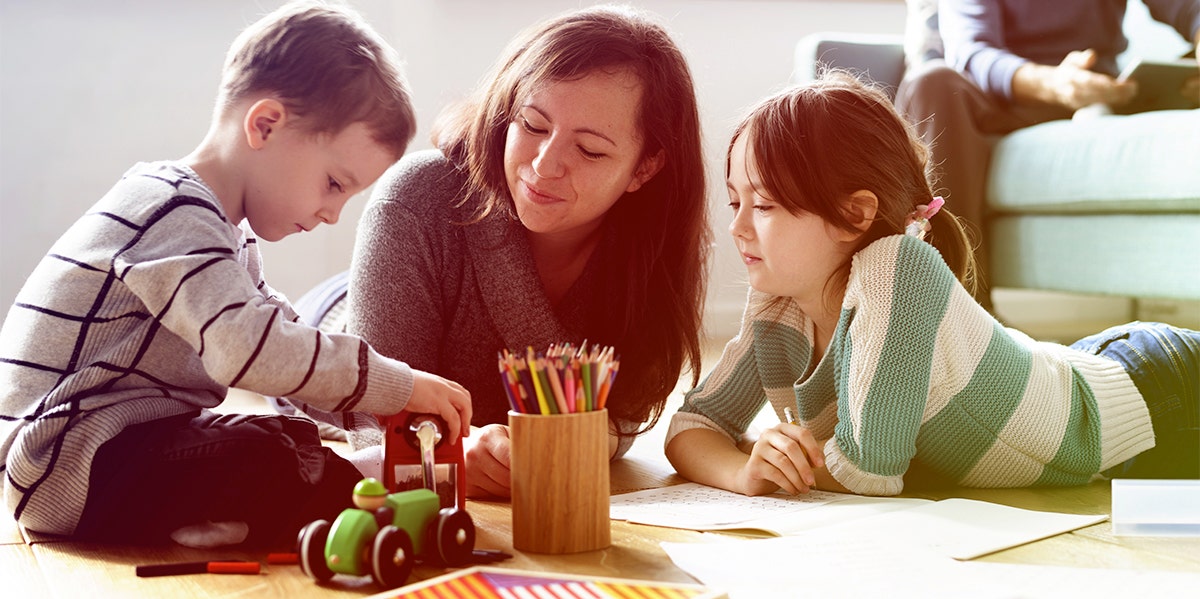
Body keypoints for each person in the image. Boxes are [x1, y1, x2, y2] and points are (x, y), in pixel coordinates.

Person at [0, 0, 472, 549]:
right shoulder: (172, 212)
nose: (331, 214)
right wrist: (397, 385)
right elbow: (251, 350)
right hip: (69, 464)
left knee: (280, 438)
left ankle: (243, 515)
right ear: (265, 125)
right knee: (269, 456)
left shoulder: (221, 233)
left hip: (115, 451)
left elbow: (291, 340)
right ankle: (345, 491)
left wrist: (374, 414)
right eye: (334, 184)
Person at [664, 71, 1198, 498]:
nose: (736, 227)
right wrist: (745, 474)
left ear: (856, 215)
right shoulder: (777, 303)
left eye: (764, 205)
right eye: (735, 202)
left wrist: (778, 458)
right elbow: (692, 424)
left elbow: (866, 471)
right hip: (1088, 370)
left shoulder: (897, 268)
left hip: (1160, 395)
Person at [282, 4, 710, 498]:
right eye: (531, 125)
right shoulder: (418, 195)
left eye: (590, 150)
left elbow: (622, 419)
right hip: (336, 326)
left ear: (644, 169)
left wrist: (541, 445)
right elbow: (375, 418)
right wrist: (451, 452)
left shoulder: (650, 247)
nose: (545, 166)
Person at [893, 0, 1200, 311]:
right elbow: (973, 52)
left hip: (1093, 95)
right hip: (997, 98)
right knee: (930, 82)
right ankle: (956, 309)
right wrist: (1054, 83)